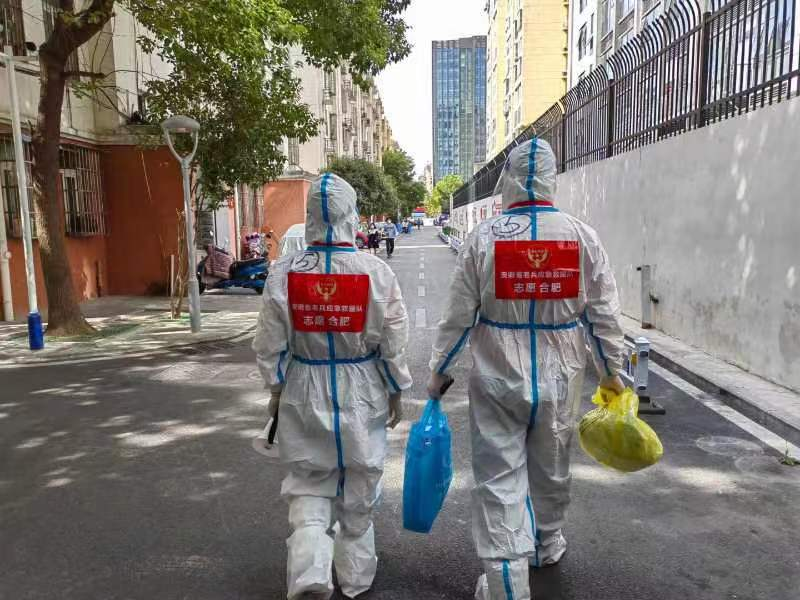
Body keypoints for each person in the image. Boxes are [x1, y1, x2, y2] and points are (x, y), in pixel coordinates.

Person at [426, 138, 625, 600]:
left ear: (509, 180)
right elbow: (603, 314)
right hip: (562, 372)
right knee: (551, 463)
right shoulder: (581, 236)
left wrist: (439, 371)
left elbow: (458, 316)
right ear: (552, 179)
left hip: (497, 373)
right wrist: (611, 371)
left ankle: (505, 581)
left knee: (500, 475)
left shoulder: (485, 238)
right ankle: (544, 544)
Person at [253, 173, 412, 600]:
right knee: (360, 476)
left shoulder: (284, 272)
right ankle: (356, 576)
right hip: (362, 387)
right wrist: (396, 387)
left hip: (304, 384)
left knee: (308, 478)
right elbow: (393, 339)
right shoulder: (375, 272)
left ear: (310, 218)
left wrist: (276, 389)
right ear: (351, 215)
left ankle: (309, 569)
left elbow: (269, 342)